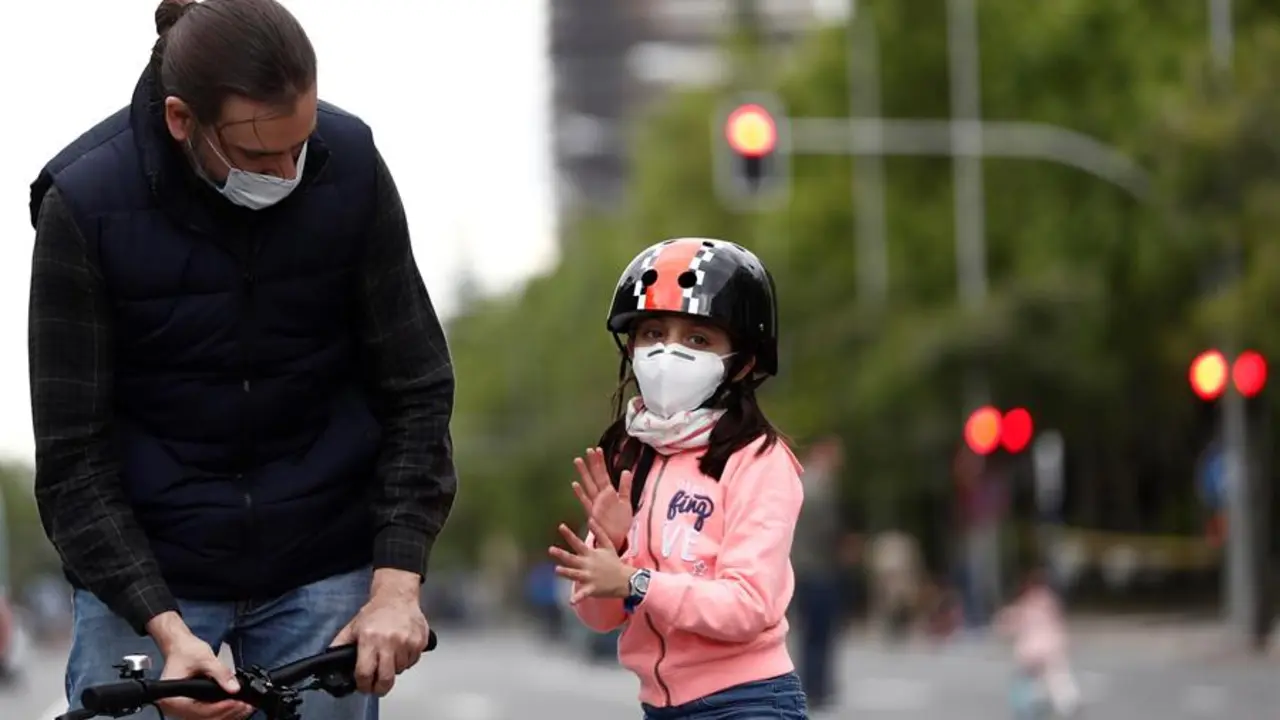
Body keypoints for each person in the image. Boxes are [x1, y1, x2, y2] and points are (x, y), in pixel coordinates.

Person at [27, 2, 457, 719]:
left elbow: (416, 386)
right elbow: (73, 461)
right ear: (179, 120)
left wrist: (396, 582)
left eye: (301, 146)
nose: (288, 172)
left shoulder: (348, 166)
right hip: (147, 571)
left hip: (320, 554)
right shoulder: (83, 205)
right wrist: (161, 625)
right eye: (260, 158)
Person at [548, 237, 808, 719]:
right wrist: (616, 547)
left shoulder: (759, 461)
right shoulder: (632, 456)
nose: (668, 353)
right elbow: (597, 617)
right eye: (652, 333)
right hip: (660, 707)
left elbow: (749, 606)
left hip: (745, 703)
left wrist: (636, 580)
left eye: (698, 339)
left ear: (744, 363)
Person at [789, 436, 846, 710]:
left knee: (809, 631)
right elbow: (827, 532)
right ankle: (818, 688)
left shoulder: (803, 483)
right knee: (820, 631)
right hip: (819, 568)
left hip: (803, 567)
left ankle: (812, 685)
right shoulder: (820, 486)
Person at [995, 569, 1080, 719]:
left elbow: (1009, 624)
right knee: (1057, 676)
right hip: (1051, 646)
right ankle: (1067, 703)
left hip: (1030, 649)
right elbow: (1058, 622)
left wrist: (1004, 627)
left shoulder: (1024, 605)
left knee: (1025, 680)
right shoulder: (1049, 601)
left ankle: (1024, 707)